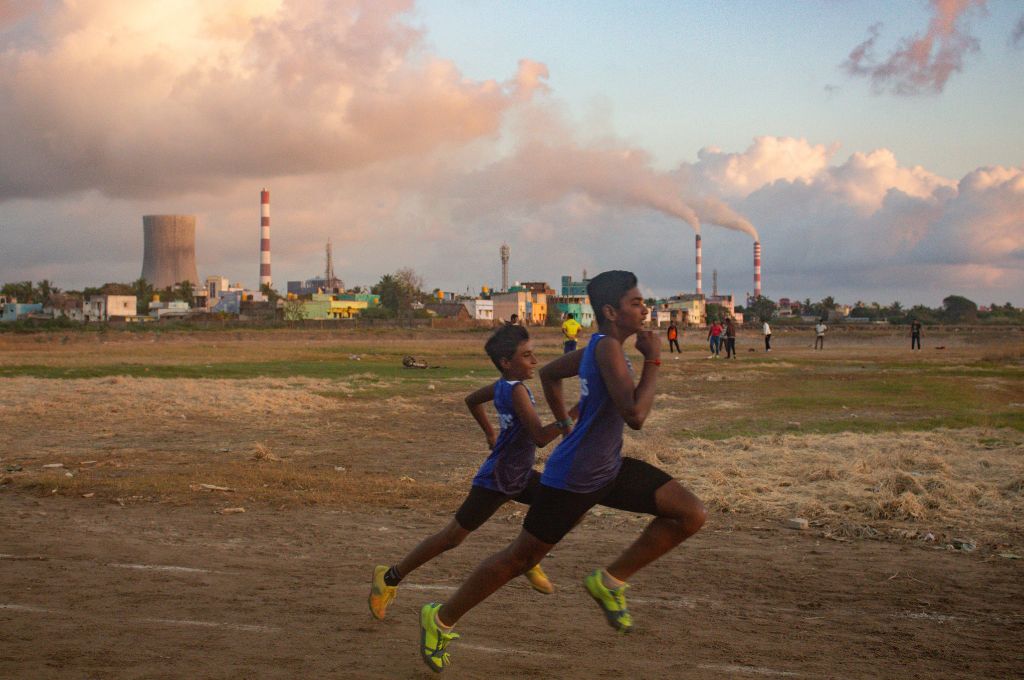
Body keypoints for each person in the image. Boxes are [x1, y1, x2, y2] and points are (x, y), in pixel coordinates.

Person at [417, 270, 706, 672]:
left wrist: (568, 424)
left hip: (607, 469)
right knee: (517, 560)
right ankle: (441, 618)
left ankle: (609, 581)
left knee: (690, 512)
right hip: (572, 479)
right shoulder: (606, 350)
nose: (644, 308)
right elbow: (636, 415)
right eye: (636, 303)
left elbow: (551, 374)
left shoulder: (600, 347)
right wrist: (654, 359)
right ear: (610, 311)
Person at [369, 325, 576, 621]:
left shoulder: (504, 384)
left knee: (561, 506)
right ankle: (388, 578)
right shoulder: (514, 390)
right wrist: (574, 413)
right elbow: (541, 437)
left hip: (518, 474)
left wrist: (490, 434)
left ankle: (527, 558)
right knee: (451, 538)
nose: (534, 361)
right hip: (498, 479)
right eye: (527, 355)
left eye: (533, 354)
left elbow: (472, 400)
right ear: (506, 362)